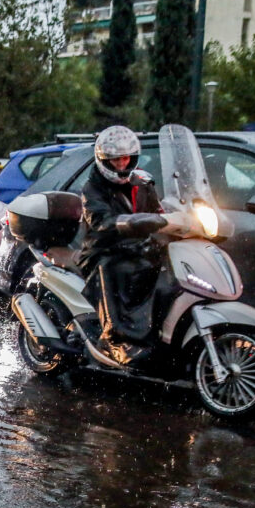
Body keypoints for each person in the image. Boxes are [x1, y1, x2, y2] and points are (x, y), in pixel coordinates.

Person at [76, 125, 167, 366]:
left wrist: (177, 218)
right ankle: (113, 339)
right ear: (104, 160)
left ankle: (157, 331)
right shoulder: (92, 188)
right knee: (110, 269)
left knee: (166, 267)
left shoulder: (143, 183)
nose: (121, 164)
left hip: (136, 247)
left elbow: (158, 210)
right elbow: (100, 221)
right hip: (102, 250)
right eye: (116, 159)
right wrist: (129, 222)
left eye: (125, 158)